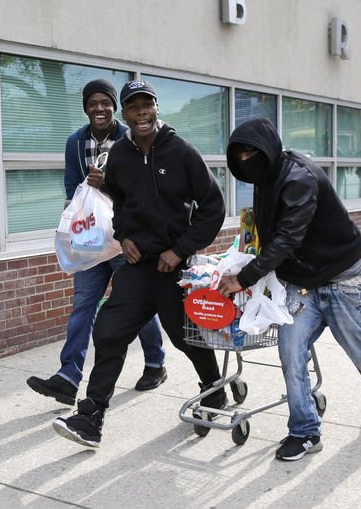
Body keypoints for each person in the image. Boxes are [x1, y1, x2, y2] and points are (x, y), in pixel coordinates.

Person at [52, 79, 226, 448]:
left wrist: (180, 250)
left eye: (146, 105)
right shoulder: (121, 156)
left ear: (157, 108)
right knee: (109, 331)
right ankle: (90, 417)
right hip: (136, 266)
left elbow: (213, 207)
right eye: (134, 107)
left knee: (184, 338)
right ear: (126, 114)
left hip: (173, 269)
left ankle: (213, 389)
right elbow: (117, 201)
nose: (141, 112)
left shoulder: (181, 152)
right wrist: (125, 237)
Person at [218, 118, 361, 461]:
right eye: (239, 154)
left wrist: (244, 278)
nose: (245, 159)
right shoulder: (264, 176)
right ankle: (304, 431)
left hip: (342, 275)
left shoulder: (299, 178)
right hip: (302, 283)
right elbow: (271, 233)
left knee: (357, 349)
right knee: (291, 351)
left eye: (251, 152)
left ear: (269, 148)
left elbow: (288, 237)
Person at [27, 79, 167, 406]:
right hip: (91, 238)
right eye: (93, 103)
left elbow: (143, 187)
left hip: (125, 239)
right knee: (83, 304)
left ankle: (155, 362)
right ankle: (68, 376)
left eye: (106, 102)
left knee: (138, 304)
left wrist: (108, 185)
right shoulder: (75, 142)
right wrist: (76, 214)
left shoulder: (131, 137)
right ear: (86, 107)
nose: (99, 108)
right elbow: (71, 185)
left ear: (115, 107)